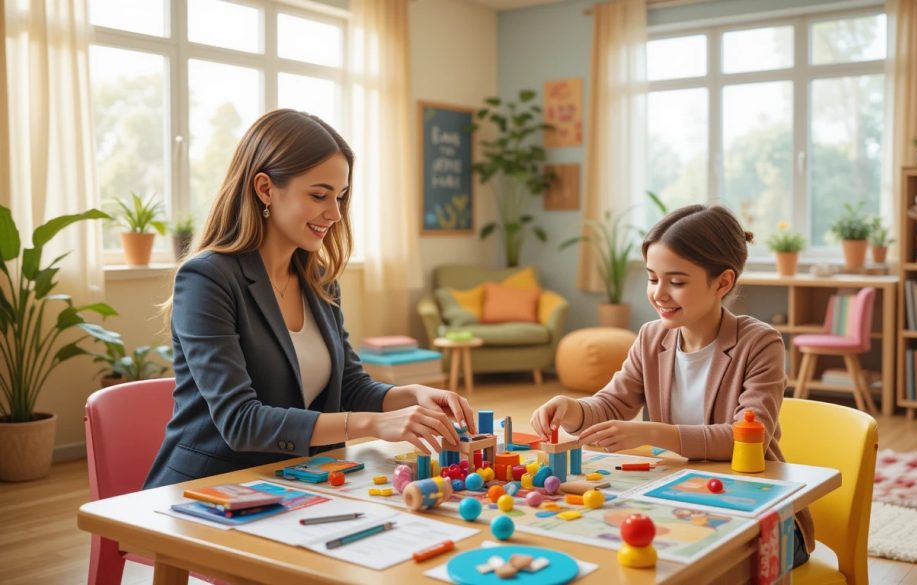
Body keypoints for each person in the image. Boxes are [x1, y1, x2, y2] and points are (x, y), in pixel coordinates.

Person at [145, 109, 474, 488]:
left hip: (294, 480)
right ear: (265, 188)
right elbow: (240, 421)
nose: (334, 213)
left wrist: (408, 396)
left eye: (341, 196)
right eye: (319, 195)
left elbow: (349, 386)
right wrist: (372, 423)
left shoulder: (319, 280)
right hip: (211, 490)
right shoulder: (207, 278)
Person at [529, 204, 812, 566]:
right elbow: (613, 404)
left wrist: (653, 433)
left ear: (722, 282)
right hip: (679, 502)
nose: (659, 294)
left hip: (760, 524)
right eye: (651, 278)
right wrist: (573, 409)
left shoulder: (760, 343)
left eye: (676, 282)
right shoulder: (651, 337)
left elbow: (745, 437)